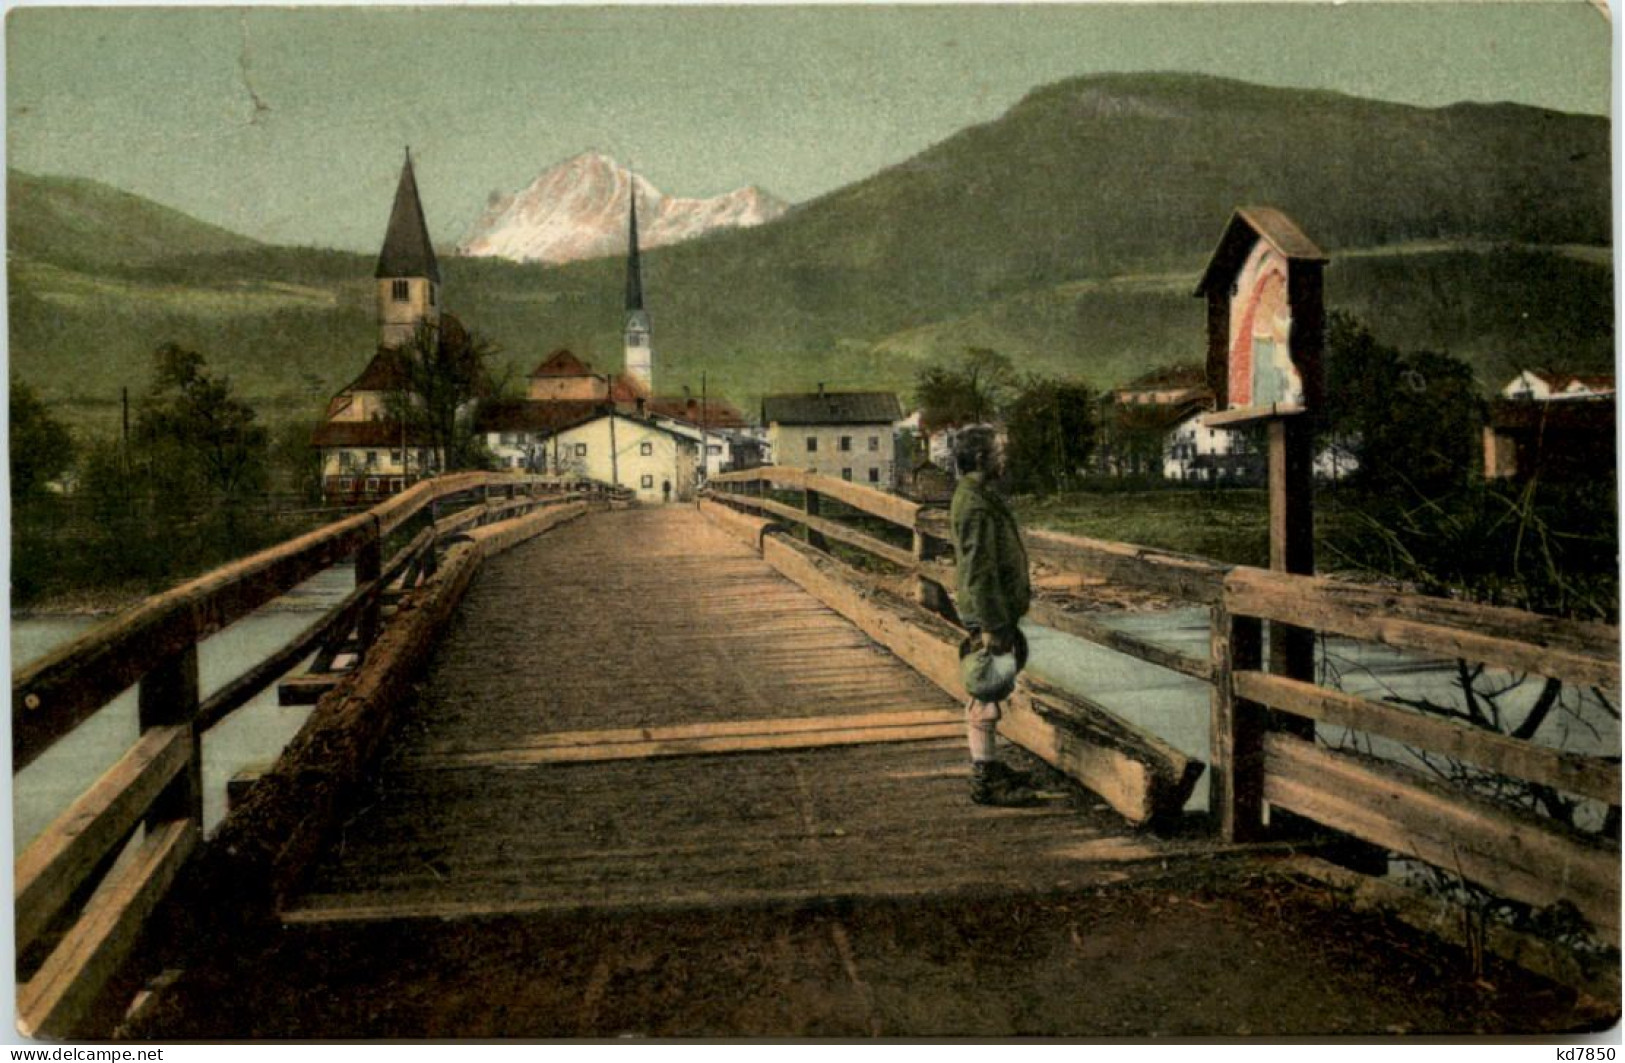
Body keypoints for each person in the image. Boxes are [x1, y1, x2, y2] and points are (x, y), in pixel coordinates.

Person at [949, 425, 1038, 807]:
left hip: (993, 610)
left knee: (989, 686)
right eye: (1001, 452)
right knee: (985, 688)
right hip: (989, 613)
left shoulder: (978, 497)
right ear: (982, 458)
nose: (1007, 459)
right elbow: (979, 571)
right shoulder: (976, 504)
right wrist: (990, 625)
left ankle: (988, 764)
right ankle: (984, 777)